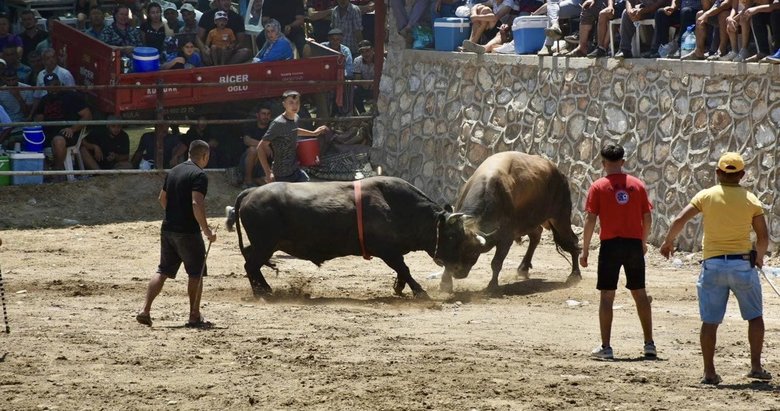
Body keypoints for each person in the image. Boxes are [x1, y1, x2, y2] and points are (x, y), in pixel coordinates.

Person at [660, 152, 772, 385]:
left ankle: (709, 372)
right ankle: (756, 367)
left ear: (718, 173)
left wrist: (668, 242)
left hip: (712, 265)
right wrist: (759, 257)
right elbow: (763, 237)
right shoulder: (751, 200)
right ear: (741, 175)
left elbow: (679, 220)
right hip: (742, 264)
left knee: (710, 321)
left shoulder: (706, 196)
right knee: (755, 317)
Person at [580, 143, 655, 360]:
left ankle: (606, 347)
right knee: (640, 293)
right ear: (623, 162)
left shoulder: (598, 187)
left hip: (610, 245)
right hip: (632, 244)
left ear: (603, 164)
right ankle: (649, 344)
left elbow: (590, 219)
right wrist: (643, 242)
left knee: (607, 296)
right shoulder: (637, 185)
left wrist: (585, 250)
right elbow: (647, 217)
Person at [136, 139, 217, 329]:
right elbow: (196, 204)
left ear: (189, 153)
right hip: (188, 232)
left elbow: (161, 198)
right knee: (195, 273)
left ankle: (145, 310)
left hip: (168, 228)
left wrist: (174, 214)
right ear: (205, 156)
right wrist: (206, 230)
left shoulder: (174, 171)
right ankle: (194, 315)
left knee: (163, 270)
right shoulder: (199, 175)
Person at [258, 90, 329, 183]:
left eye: (297, 103)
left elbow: (294, 130)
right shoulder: (278, 124)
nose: (294, 106)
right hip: (282, 174)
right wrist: (268, 173)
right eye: (291, 103)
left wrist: (314, 133)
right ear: (284, 104)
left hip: (295, 169)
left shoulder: (296, 117)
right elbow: (260, 148)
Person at [33, 73, 92, 172]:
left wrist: (73, 129)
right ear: (45, 87)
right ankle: (43, 173)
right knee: (30, 140)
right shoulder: (44, 100)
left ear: (60, 83)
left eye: (55, 85)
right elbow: (38, 119)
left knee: (58, 140)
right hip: (47, 133)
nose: (53, 88)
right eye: (49, 86)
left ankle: (58, 171)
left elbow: (88, 116)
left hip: (67, 132)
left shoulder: (72, 96)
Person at [198, 0, 251, 64]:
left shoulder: (238, 18)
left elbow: (240, 41)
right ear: (217, 2)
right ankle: (215, 66)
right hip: (211, 52)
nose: (227, 2)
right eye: (223, 0)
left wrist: (232, 48)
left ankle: (223, 67)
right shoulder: (206, 15)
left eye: (228, 0)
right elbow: (198, 38)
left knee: (246, 52)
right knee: (197, 52)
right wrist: (204, 50)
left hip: (228, 52)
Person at [239, 103, 272, 188]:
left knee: (270, 185)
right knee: (253, 150)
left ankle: (255, 179)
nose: (266, 116)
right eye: (263, 114)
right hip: (248, 162)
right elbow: (247, 140)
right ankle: (248, 180)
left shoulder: (272, 128)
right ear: (257, 115)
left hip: (263, 163)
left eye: (268, 114)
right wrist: (264, 146)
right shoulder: (250, 126)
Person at [353, 39, 375, 114]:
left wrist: (375, 83)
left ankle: (377, 112)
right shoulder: (357, 60)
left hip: (377, 86)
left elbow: (384, 77)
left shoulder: (381, 59)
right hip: (364, 86)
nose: (365, 54)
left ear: (372, 50)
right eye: (362, 52)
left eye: (367, 50)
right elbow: (357, 78)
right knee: (354, 91)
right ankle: (362, 113)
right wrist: (363, 83)